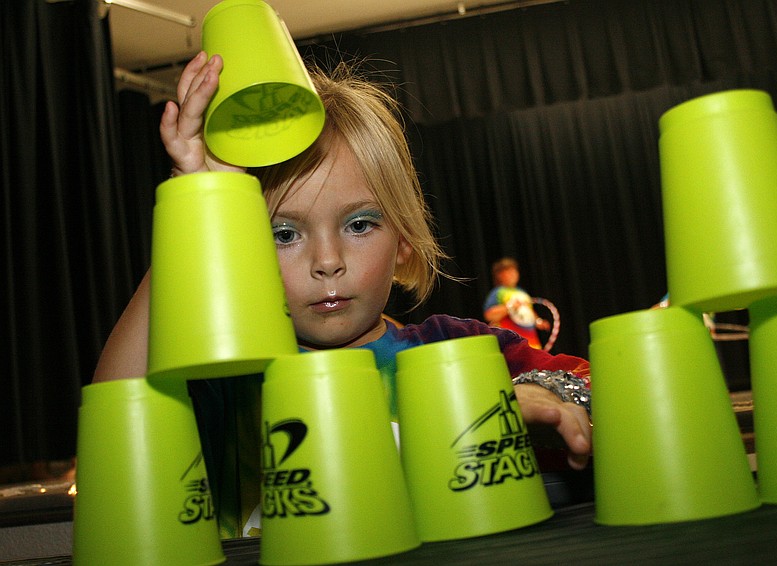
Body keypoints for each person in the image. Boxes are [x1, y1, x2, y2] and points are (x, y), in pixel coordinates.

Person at [92, 52, 592, 537]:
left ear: (403, 238)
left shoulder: (461, 350)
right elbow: (118, 419)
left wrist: (541, 396)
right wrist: (198, 212)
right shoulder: (228, 381)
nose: (327, 260)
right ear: (237, 248)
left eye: (359, 224)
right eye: (284, 234)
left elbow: (599, 389)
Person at [483, 257, 550, 349]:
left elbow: (529, 311)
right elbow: (489, 315)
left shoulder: (522, 292)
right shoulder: (498, 292)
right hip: (512, 343)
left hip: (531, 342)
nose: (513, 274)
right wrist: (510, 307)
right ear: (499, 275)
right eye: (508, 271)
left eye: (514, 271)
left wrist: (538, 321)